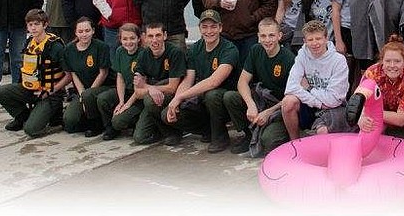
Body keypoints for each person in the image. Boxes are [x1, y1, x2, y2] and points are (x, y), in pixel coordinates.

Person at [164, 10, 241, 153]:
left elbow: (214, 81)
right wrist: (175, 101)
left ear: (220, 28)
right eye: (204, 27)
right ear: (199, 28)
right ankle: (208, 130)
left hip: (225, 101)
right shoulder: (195, 48)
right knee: (167, 114)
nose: (209, 31)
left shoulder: (229, 49)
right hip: (203, 100)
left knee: (212, 94)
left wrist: (181, 96)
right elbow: (188, 79)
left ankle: (221, 137)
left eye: (213, 27)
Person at [97, 22, 185, 143]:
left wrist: (148, 87)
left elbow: (173, 87)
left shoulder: (174, 52)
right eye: (150, 36)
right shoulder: (143, 55)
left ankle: (172, 132)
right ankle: (154, 128)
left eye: (158, 35)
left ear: (165, 36)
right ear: (145, 37)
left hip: (172, 98)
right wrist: (148, 90)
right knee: (138, 136)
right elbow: (137, 91)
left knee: (150, 99)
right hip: (149, 98)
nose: (154, 40)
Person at [224, 17, 295, 157]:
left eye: (271, 35)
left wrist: (268, 112)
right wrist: (251, 104)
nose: (267, 40)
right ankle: (249, 134)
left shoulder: (289, 58)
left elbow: (292, 96)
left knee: (268, 141)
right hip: (261, 101)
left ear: (279, 36)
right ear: (258, 36)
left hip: (279, 108)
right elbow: (242, 82)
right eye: (263, 35)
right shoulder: (256, 50)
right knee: (230, 97)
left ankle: (276, 134)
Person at [0, 9, 67, 137]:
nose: (33, 28)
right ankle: (23, 116)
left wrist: (50, 91)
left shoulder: (55, 46)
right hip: (30, 89)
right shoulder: (29, 43)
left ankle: (53, 114)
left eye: (37, 24)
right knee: (0, 92)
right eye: (30, 24)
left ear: (45, 25)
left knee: (31, 130)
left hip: (49, 93)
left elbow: (69, 75)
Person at [280, 20, 350, 140]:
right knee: (288, 102)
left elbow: (334, 100)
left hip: (335, 107)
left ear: (326, 38)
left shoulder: (338, 60)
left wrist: (309, 88)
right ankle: (295, 142)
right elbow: (291, 88)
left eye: (318, 39)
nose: (315, 43)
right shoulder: (302, 55)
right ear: (305, 41)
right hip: (315, 104)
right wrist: (318, 103)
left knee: (322, 131)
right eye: (310, 40)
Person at [355, 36, 404, 140]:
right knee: (368, 126)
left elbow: (400, 119)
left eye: (397, 61)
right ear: (382, 61)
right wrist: (361, 118)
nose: (392, 65)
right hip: (381, 107)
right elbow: (359, 98)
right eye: (388, 61)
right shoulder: (372, 73)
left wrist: (372, 113)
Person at [61, 17, 112, 136]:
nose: (84, 34)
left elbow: (103, 73)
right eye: (80, 31)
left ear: (93, 31)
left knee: (89, 96)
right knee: (69, 123)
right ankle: (86, 119)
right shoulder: (69, 49)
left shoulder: (101, 46)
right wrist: (82, 94)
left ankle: (96, 125)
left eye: (87, 30)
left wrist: (87, 95)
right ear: (75, 32)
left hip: (102, 87)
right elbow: (73, 73)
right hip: (82, 90)